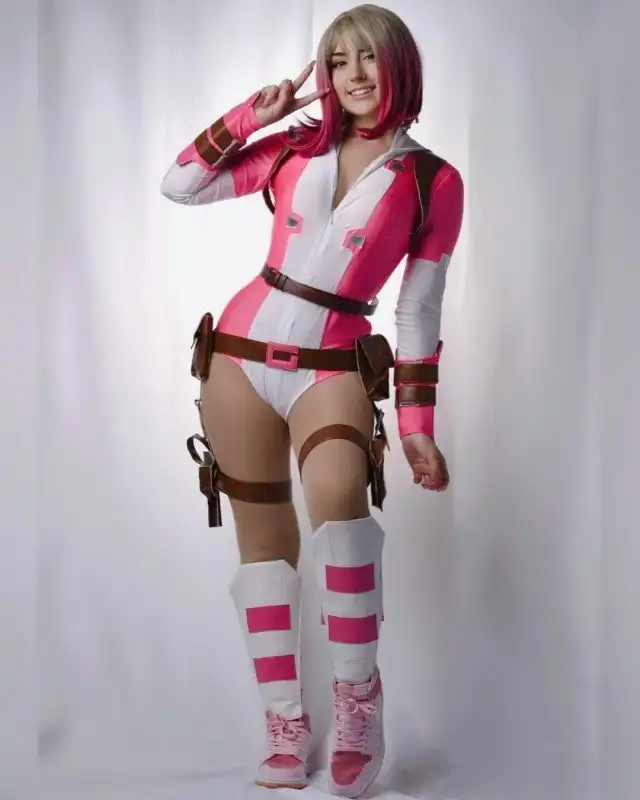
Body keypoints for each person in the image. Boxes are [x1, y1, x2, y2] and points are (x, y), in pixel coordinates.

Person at [160, 4, 463, 796]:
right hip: (236, 357)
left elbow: (418, 309)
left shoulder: (432, 180)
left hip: (333, 363)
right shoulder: (296, 146)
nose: (354, 74)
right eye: (338, 59)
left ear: (400, 67)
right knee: (263, 544)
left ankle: (358, 700)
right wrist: (250, 117)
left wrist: (416, 426)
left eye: (370, 57)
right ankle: (283, 723)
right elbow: (180, 185)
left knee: (340, 508)